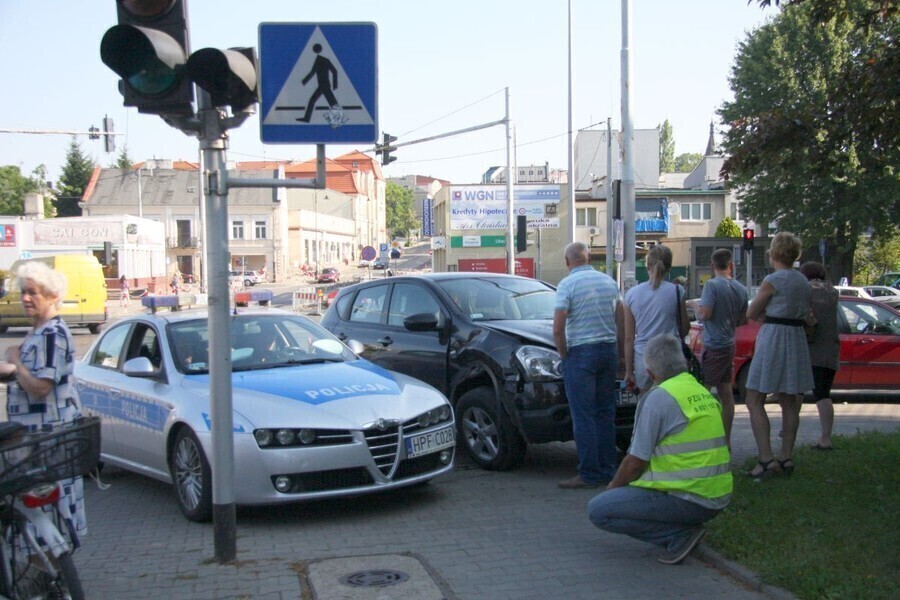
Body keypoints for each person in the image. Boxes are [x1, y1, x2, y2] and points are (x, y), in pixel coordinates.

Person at [588, 333, 732, 565]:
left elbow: (635, 462)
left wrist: (614, 487)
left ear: (650, 373)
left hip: (687, 497)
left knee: (599, 510)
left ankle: (678, 536)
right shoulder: (700, 391)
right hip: (717, 495)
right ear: (682, 363)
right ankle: (683, 527)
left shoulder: (659, 398)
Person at [0, 261, 87, 537]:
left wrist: (15, 362)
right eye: (24, 292)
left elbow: (40, 386)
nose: (26, 298)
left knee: (48, 524)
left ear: (52, 296)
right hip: (35, 440)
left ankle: (52, 577)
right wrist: (12, 371)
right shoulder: (37, 332)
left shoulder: (52, 334)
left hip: (49, 442)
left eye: (33, 292)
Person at [744, 232, 813, 478]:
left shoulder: (772, 280)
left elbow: (751, 311)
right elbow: (807, 314)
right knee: (790, 400)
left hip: (773, 337)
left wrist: (764, 315)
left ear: (774, 253)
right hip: (795, 338)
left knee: (754, 398)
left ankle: (765, 458)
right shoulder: (803, 281)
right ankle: (786, 456)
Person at [553, 242, 620, 489]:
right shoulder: (608, 282)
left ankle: (589, 473)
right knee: (605, 414)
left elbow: (558, 328)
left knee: (583, 416)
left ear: (567, 261)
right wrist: (621, 356)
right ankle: (608, 470)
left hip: (581, 353)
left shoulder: (567, 285)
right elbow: (620, 319)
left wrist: (564, 355)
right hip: (608, 351)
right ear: (589, 258)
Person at [687, 249, 748, 446]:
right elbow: (742, 320)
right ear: (731, 266)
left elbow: (705, 314)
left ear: (713, 266)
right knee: (726, 392)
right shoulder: (740, 288)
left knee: (703, 391)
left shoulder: (712, 286)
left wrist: (694, 305)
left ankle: (701, 435)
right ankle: (726, 438)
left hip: (713, 345)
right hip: (729, 344)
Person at [624, 244, 690, 395]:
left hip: (644, 358)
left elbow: (629, 338)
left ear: (647, 265)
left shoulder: (632, 295)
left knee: (646, 403)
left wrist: (628, 370)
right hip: (671, 356)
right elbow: (684, 329)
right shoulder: (677, 291)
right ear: (669, 267)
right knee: (672, 402)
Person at [799, 261, 840, 450]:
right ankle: (826, 437)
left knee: (795, 391)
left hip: (807, 347)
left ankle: (789, 428)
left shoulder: (806, 290)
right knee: (823, 394)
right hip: (829, 350)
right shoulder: (832, 291)